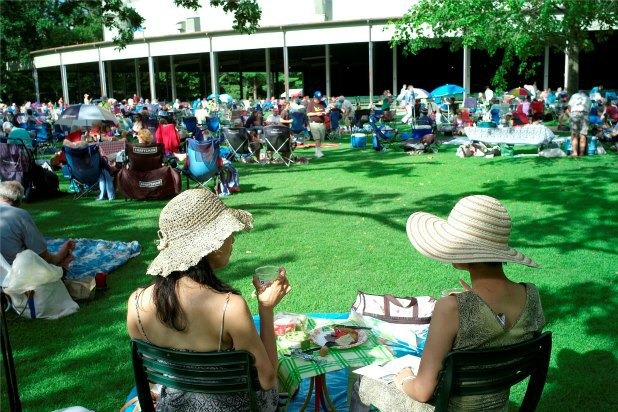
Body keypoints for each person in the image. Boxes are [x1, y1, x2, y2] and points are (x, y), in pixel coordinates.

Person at [350, 195, 545, 412]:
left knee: (362, 382)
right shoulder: (532, 296)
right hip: (498, 407)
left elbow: (422, 392)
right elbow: (502, 337)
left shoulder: (451, 308)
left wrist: (404, 378)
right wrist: (478, 302)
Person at [126, 189, 291, 411]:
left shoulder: (136, 303)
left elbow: (154, 381)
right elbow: (267, 380)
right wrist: (266, 309)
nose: (232, 238)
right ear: (211, 245)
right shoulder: (228, 307)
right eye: (227, 232)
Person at [0, 181, 75, 267]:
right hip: (12, 272)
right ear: (19, 201)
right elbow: (41, 253)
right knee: (49, 263)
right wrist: (58, 257)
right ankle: (60, 261)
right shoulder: (20, 214)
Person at [567, 91, 591, 157]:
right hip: (585, 114)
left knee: (574, 134)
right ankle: (581, 153)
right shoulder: (588, 98)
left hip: (574, 113)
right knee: (583, 134)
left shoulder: (574, 95)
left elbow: (569, 107)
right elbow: (589, 110)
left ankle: (575, 153)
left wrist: (571, 114)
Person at [306, 90, 327, 158]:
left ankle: (317, 151)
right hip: (314, 124)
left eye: (320, 98)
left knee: (321, 138)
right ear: (314, 97)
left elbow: (326, 110)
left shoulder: (323, 103)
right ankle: (318, 152)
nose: (319, 99)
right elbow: (308, 113)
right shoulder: (310, 104)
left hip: (322, 123)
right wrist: (316, 114)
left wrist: (325, 112)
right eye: (318, 98)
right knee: (317, 138)